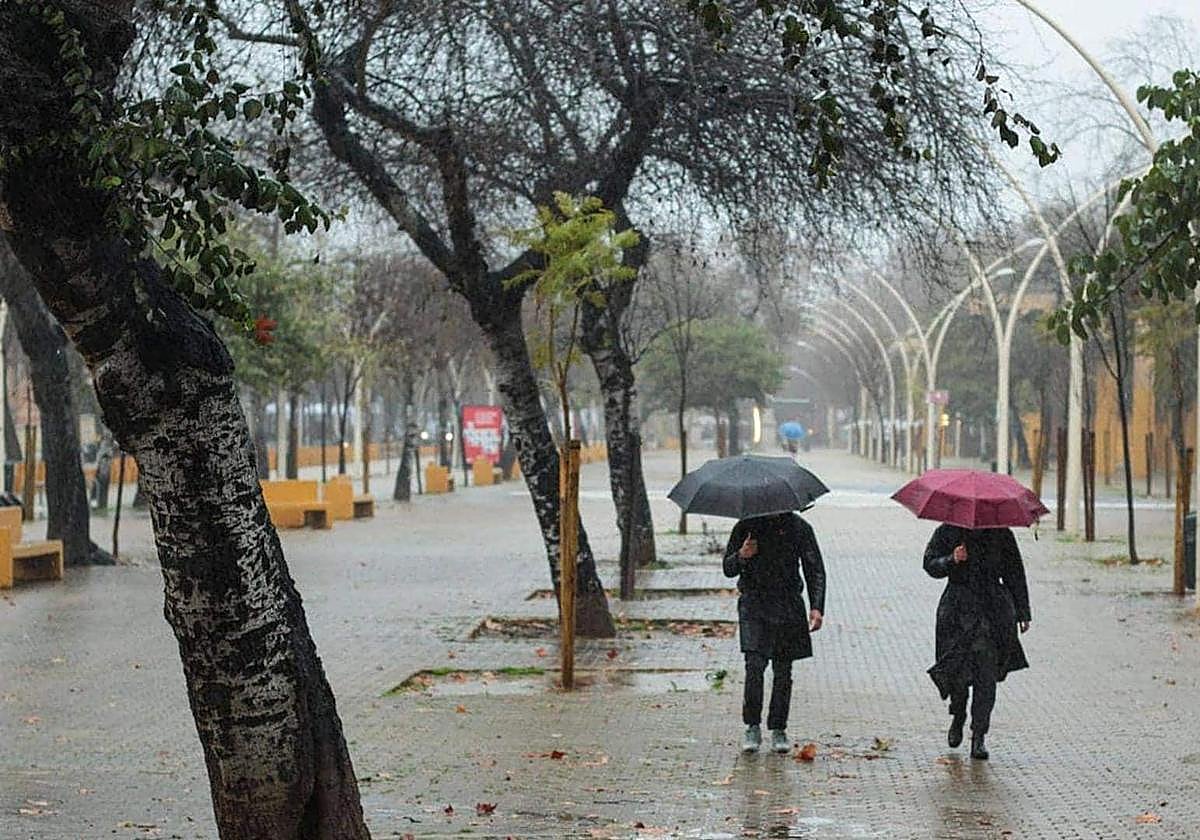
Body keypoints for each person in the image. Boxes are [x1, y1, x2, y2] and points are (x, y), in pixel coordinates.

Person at [923, 525, 1031, 760]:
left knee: (986, 676)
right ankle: (958, 713)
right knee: (957, 673)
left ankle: (979, 735)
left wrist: (1023, 612)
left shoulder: (1002, 534)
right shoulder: (948, 531)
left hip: (993, 613)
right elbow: (930, 564)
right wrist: (952, 559)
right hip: (956, 611)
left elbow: (1014, 572)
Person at [723, 510, 826, 754]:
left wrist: (817, 606)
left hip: (787, 604)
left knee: (783, 668)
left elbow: (815, 568)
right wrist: (742, 555)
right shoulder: (746, 525)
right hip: (754, 603)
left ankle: (779, 727)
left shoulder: (799, 527)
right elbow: (728, 568)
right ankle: (752, 725)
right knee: (754, 664)